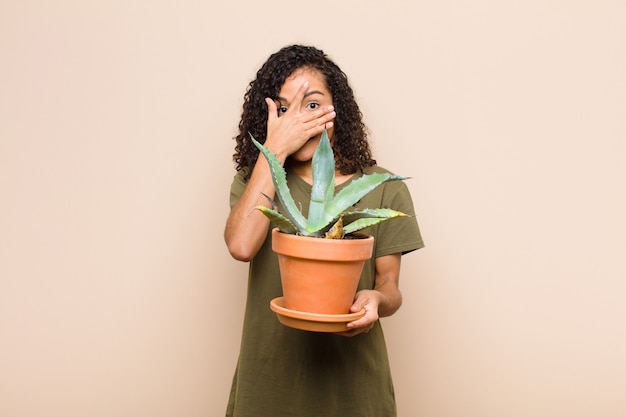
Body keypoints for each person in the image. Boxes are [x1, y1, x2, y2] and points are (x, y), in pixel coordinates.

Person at [224, 44, 424, 417]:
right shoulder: (258, 182)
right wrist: (275, 150)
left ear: (338, 111)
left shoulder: (383, 187)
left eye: (312, 105)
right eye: (284, 110)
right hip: (269, 385)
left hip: (354, 390)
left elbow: (390, 287)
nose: (299, 120)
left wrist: (376, 301)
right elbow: (240, 245)